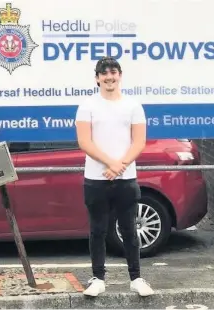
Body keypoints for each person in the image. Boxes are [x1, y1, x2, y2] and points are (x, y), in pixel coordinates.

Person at [75, 56, 154, 297]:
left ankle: (136, 278)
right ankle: (98, 278)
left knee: (129, 230)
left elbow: (139, 141)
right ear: (97, 78)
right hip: (96, 179)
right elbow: (84, 141)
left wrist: (120, 166)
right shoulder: (87, 105)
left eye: (113, 72)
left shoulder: (133, 105)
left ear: (120, 75)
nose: (109, 77)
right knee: (97, 230)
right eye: (104, 73)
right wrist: (111, 163)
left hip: (126, 179)